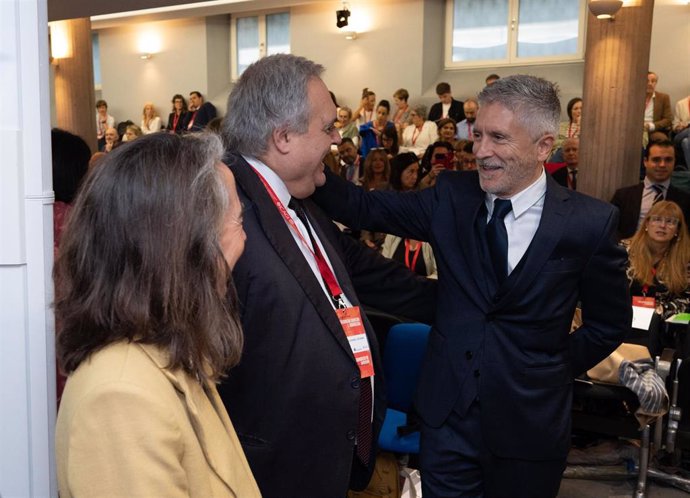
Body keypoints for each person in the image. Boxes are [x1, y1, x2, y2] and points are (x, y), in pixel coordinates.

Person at [312, 74, 630, 497]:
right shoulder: (451, 197)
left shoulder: (589, 223)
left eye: (498, 138)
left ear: (542, 146)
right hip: (447, 421)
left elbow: (608, 324)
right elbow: (362, 206)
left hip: (529, 426)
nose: (481, 151)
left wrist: (548, 368)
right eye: (478, 134)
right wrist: (305, 158)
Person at [218, 53, 436, 498]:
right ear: (283, 137)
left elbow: (366, 272)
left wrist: (471, 304)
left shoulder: (301, 202)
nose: (338, 140)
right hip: (270, 465)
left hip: (324, 455)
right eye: (327, 128)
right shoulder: (224, 210)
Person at [54, 132, 260, 497]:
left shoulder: (169, 352)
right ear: (184, 248)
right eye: (237, 222)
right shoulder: (121, 396)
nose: (243, 243)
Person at [623, 200, 690, 321]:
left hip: (665, 329)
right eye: (657, 219)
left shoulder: (685, 260)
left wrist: (657, 313)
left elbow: (687, 304)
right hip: (621, 321)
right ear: (647, 224)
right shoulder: (623, 251)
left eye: (670, 222)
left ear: (677, 230)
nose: (663, 225)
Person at [611, 139, 690, 240]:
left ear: (674, 162)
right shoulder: (623, 196)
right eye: (656, 160)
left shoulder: (685, 200)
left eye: (668, 160)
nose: (662, 165)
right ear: (645, 161)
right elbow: (610, 231)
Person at [644, 72, 673, 137]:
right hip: (636, 129)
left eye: (653, 81)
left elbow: (668, 119)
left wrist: (651, 126)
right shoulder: (634, 97)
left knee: (661, 138)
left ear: (656, 83)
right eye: (647, 81)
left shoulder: (663, 97)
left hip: (653, 130)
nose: (650, 84)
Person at [673, 93, 690, 168]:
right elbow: (675, 126)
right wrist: (681, 126)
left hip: (686, 139)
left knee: (686, 142)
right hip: (680, 135)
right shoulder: (681, 104)